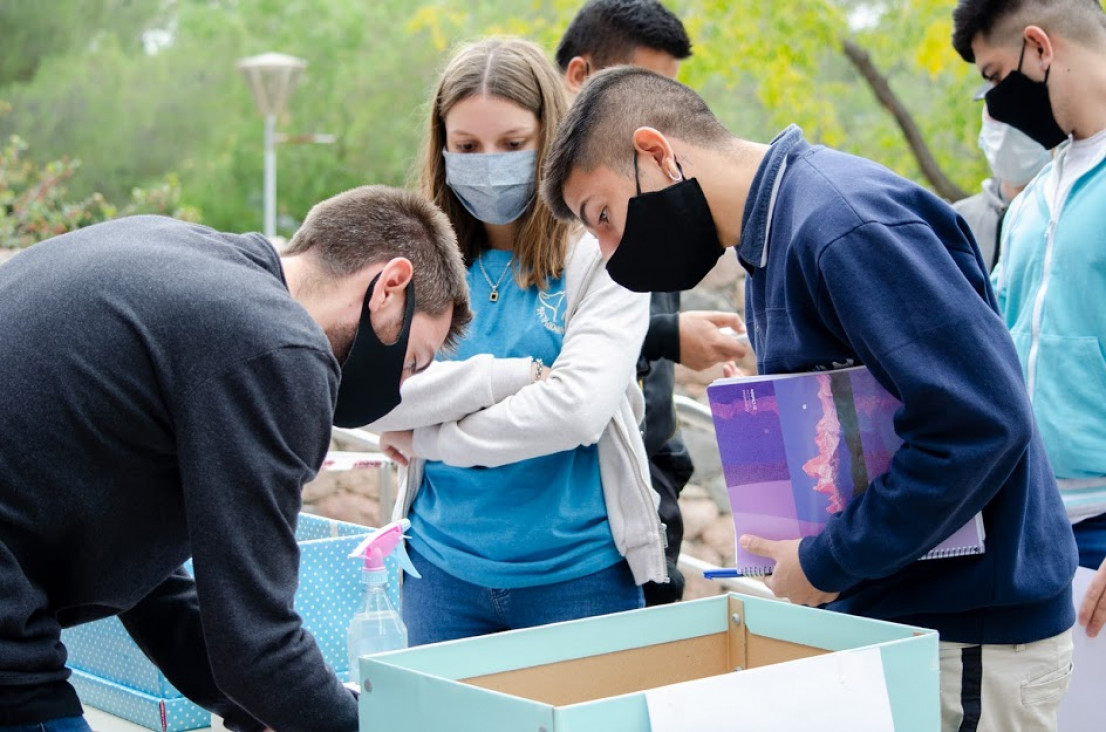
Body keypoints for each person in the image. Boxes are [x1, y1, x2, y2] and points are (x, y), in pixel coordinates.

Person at [541, 66, 1077, 732]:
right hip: (898, 618)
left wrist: (825, 564)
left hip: (964, 636)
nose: (611, 253)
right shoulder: (775, 237)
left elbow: (980, 425)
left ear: (655, 153)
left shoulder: (843, 226)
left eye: (605, 217)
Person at [0, 186, 472, 732]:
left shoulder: (180, 261)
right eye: (411, 360)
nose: (400, 385)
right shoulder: (278, 349)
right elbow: (258, 644)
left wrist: (265, 708)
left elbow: (152, 586)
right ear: (390, 286)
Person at [367, 38, 666, 646]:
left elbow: (576, 411)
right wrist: (513, 378)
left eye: (511, 144)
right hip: (438, 576)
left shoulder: (606, 253)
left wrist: (428, 434)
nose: (488, 162)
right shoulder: (409, 259)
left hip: (580, 581)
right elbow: (366, 395)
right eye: (467, 146)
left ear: (549, 138)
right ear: (441, 145)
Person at [556, 0, 748, 606]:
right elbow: (539, 347)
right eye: (642, 88)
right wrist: (668, 335)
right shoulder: (536, 213)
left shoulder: (652, 183)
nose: (662, 118)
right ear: (582, 80)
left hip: (653, 486)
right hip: (585, 515)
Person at [953, 0, 1106, 648]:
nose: (994, 101)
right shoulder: (1033, 199)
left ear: (1039, 49)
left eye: (994, 75)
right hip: (1033, 526)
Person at [953, 102, 1051, 270]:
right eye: (994, 107)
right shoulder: (957, 221)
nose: (1007, 124)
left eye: (1024, 110)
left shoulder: (1070, 213)